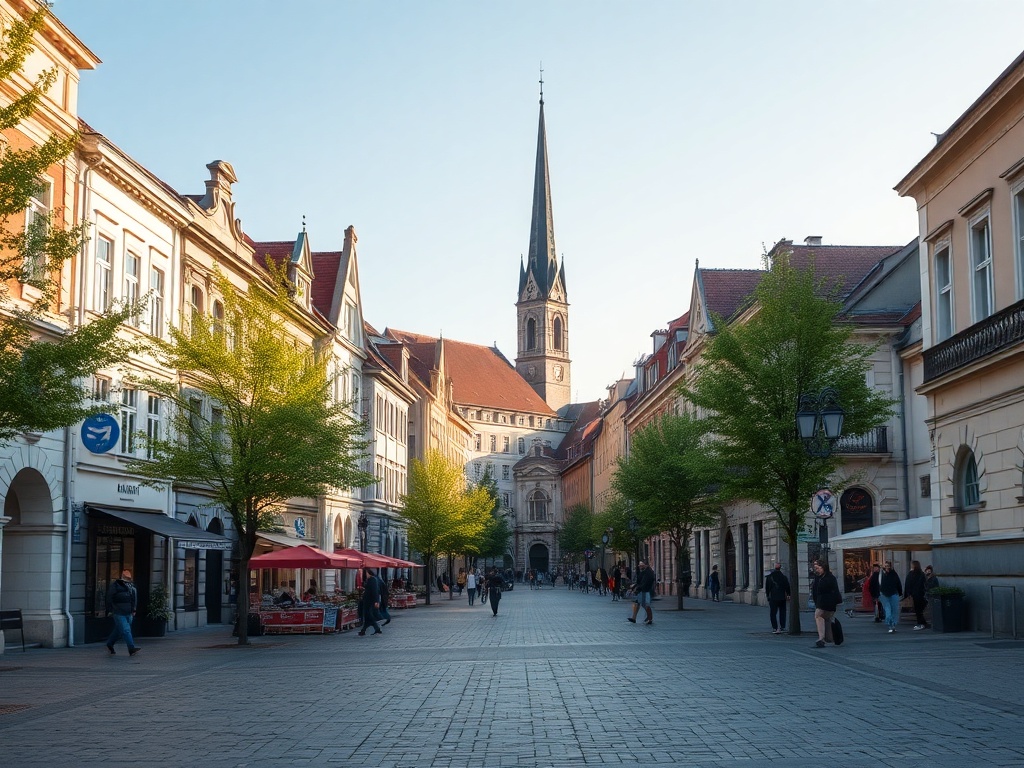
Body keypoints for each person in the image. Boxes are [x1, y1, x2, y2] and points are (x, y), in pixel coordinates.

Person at [105, 569, 141, 656]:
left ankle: (110, 644)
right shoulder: (116, 586)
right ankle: (131, 648)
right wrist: (111, 609)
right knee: (126, 630)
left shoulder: (131, 587)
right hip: (119, 612)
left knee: (119, 630)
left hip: (128, 612)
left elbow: (133, 599)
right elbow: (109, 598)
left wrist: (133, 610)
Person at [810, 559, 842, 648]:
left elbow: (833, 591)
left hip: (826, 602)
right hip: (823, 602)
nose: (817, 570)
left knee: (818, 616)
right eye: (816, 568)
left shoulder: (827, 578)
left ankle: (822, 638)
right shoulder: (821, 578)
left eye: (819, 568)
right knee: (826, 619)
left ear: (824, 568)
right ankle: (828, 638)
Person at [764, 562, 791, 634]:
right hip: (782, 597)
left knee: (773, 613)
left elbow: (767, 588)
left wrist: (768, 596)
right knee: (782, 612)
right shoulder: (783, 577)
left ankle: (775, 627)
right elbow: (787, 587)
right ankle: (782, 626)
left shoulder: (769, 577)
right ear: (780, 568)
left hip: (773, 597)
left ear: (774, 567)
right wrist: (788, 594)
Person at [878, 560, 903, 634]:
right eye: (886, 566)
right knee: (888, 609)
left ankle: (893, 625)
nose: (887, 567)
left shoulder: (894, 574)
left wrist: (900, 592)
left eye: (888, 566)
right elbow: (878, 584)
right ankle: (890, 624)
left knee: (894, 610)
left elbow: (898, 583)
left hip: (893, 593)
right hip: (884, 594)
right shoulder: (881, 574)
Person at [905, 560, 930, 630]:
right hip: (921, 594)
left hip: (915, 594)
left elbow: (907, 584)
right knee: (920, 610)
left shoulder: (911, 574)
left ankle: (920, 623)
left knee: (917, 610)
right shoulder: (922, 574)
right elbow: (925, 583)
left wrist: (908, 594)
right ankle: (923, 622)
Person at [628, 561, 655, 625]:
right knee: (637, 603)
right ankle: (634, 618)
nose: (640, 566)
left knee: (645, 604)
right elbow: (639, 582)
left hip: (645, 591)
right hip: (642, 590)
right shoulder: (643, 572)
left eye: (641, 565)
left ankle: (650, 618)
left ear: (646, 565)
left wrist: (637, 588)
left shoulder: (648, 573)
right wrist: (634, 586)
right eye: (639, 565)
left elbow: (644, 583)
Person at [358, 568, 383, 636]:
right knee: (367, 616)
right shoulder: (369, 580)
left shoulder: (373, 580)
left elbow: (375, 591)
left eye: (366, 573)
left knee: (369, 615)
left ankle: (377, 629)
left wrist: (376, 601)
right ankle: (364, 630)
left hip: (370, 601)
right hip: (367, 600)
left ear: (369, 573)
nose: (365, 574)